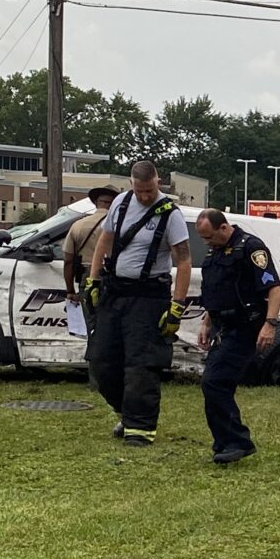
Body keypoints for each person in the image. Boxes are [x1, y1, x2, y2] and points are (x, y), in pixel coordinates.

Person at [84, 161, 191, 446]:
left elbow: (184, 260)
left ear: (158, 182)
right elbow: (104, 242)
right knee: (101, 361)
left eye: (150, 190)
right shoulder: (120, 202)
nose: (145, 196)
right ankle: (125, 412)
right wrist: (93, 281)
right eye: (140, 190)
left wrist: (177, 306)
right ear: (131, 184)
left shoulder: (171, 214)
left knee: (141, 364)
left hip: (149, 296)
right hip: (114, 291)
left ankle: (140, 428)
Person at [195, 209, 280, 464]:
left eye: (210, 237)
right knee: (215, 382)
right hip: (222, 326)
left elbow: (274, 288)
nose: (207, 243)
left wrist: (270, 324)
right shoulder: (217, 251)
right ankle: (224, 441)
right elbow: (218, 290)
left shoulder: (251, 248)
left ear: (224, 228)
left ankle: (237, 441)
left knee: (214, 382)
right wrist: (207, 321)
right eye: (204, 239)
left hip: (245, 327)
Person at [63, 186, 119, 308]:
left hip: (87, 275)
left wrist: (70, 291)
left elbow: (68, 261)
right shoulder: (120, 226)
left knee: (89, 319)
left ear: (95, 203)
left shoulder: (78, 225)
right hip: (114, 277)